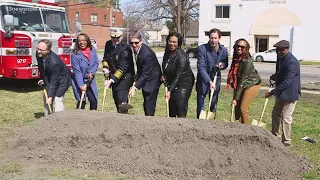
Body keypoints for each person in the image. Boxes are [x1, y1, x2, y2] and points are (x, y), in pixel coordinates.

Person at [265, 40, 301, 146]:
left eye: (281, 50)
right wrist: (274, 77)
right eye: (277, 50)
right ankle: (275, 135)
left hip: (290, 93)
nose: (278, 52)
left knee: (286, 118)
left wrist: (272, 92)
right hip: (281, 92)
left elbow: (287, 82)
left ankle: (286, 141)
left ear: (287, 49)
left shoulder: (292, 62)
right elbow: (280, 72)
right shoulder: (280, 58)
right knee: (275, 113)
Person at [196, 28, 229, 119]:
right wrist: (209, 82)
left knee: (213, 107)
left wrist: (222, 65)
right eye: (211, 38)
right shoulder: (202, 49)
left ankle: (211, 127)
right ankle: (199, 125)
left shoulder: (223, 50)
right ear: (209, 38)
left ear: (219, 38)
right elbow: (201, 67)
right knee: (201, 107)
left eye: (215, 38)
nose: (213, 40)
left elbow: (225, 63)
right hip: (203, 80)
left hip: (215, 80)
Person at [227, 38, 261, 124]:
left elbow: (243, 80)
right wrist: (236, 97)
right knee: (237, 108)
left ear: (246, 49)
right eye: (237, 46)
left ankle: (246, 130)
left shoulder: (248, 61)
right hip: (241, 84)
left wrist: (235, 98)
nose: (239, 48)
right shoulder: (236, 58)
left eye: (242, 47)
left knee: (243, 108)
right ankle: (238, 126)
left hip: (251, 84)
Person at [162, 32, 195, 118]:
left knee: (180, 105)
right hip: (173, 81)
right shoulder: (167, 52)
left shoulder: (182, 57)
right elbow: (165, 65)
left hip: (184, 83)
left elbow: (178, 76)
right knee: (171, 106)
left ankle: (182, 124)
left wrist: (169, 91)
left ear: (178, 43)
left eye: (174, 42)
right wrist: (164, 75)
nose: (172, 44)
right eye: (170, 41)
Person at [128, 32, 162, 116]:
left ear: (141, 41)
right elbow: (141, 68)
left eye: (136, 42)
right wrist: (136, 77)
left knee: (149, 103)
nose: (134, 45)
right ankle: (147, 117)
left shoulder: (146, 54)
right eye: (132, 43)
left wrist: (135, 87)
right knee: (146, 102)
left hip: (152, 80)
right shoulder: (139, 50)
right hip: (147, 77)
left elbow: (145, 74)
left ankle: (150, 121)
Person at [102, 29, 134, 114]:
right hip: (114, 76)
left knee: (122, 101)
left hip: (125, 78)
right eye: (113, 37)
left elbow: (122, 69)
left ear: (122, 37)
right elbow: (105, 58)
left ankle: (125, 118)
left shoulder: (125, 49)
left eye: (118, 38)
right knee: (116, 99)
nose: (115, 40)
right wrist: (105, 68)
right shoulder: (108, 44)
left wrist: (111, 80)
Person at [36, 39, 71, 116]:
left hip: (62, 80)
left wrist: (51, 96)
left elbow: (54, 81)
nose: (38, 51)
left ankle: (60, 119)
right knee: (46, 98)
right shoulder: (39, 54)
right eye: (38, 49)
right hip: (51, 77)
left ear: (48, 50)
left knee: (57, 100)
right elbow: (41, 67)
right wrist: (42, 78)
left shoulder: (55, 62)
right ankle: (47, 118)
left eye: (41, 50)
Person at [71, 33, 99, 110]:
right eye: (79, 41)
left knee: (93, 101)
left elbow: (96, 63)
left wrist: (92, 72)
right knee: (81, 101)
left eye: (83, 40)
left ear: (87, 41)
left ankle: (92, 119)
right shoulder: (75, 55)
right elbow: (77, 72)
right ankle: (79, 118)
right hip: (79, 80)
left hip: (90, 80)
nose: (81, 42)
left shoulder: (92, 50)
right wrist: (81, 85)